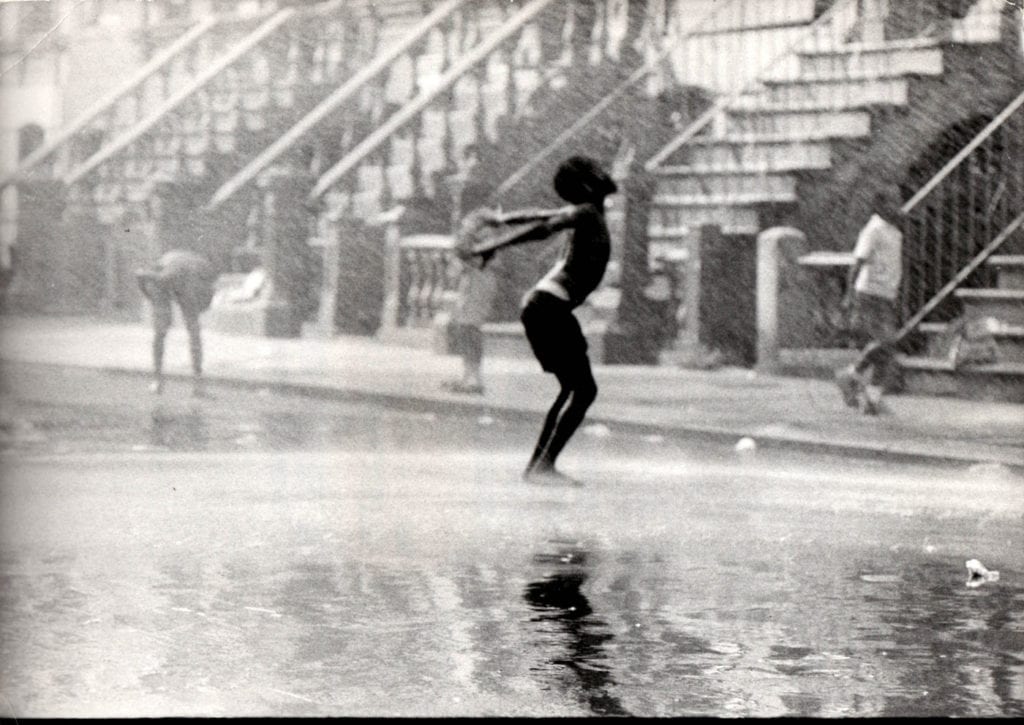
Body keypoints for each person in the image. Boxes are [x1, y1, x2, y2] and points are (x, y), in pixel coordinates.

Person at [470, 155, 617, 485]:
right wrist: (494, 243)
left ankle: (539, 466)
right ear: (587, 185)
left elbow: (541, 216)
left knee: (574, 389)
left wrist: (502, 221)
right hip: (549, 308)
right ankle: (543, 466)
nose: (603, 173)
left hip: (546, 307)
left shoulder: (584, 213)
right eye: (596, 172)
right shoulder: (587, 213)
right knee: (583, 390)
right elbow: (541, 229)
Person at [835, 186, 904, 415]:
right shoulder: (873, 229)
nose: (898, 206)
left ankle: (871, 397)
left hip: (886, 294)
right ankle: (852, 374)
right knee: (886, 341)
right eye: (892, 202)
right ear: (881, 206)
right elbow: (859, 261)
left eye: (898, 201)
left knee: (886, 349)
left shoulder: (894, 231)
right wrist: (849, 295)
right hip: (870, 293)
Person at [442, 144, 500, 395]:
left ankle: (475, 377)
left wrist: (463, 257)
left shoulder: (483, 220)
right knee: (464, 327)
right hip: (471, 276)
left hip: (481, 276)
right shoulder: (472, 220)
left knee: (471, 327)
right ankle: (468, 375)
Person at [135, 248, 217, 397]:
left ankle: (198, 383)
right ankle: (158, 380)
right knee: (161, 331)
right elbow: (143, 276)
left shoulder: (202, 278)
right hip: (161, 279)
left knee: (194, 332)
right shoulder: (177, 277)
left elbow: (196, 314)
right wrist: (148, 294)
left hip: (178, 276)